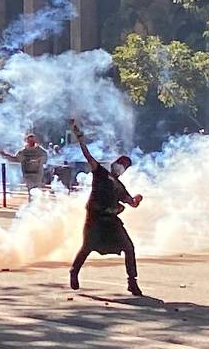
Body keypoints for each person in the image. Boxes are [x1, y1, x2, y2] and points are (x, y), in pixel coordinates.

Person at [69, 119, 144, 296]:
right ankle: (74, 271)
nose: (121, 168)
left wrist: (137, 200)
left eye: (124, 167)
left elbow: (130, 202)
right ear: (114, 163)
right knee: (87, 247)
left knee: (129, 247)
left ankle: (132, 282)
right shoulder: (100, 173)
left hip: (112, 222)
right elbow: (88, 157)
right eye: (121, 163)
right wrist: (80, 139)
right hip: (95, 219)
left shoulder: (119, 186)